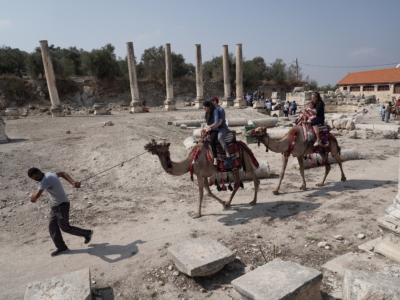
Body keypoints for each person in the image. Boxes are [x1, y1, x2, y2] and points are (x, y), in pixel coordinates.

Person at [28, 168, 93, 257]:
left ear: (39, 172)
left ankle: (87, 233)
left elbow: (36, 196)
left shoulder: (45, 180)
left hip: (62, 205)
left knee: (65, 227)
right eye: (34, 179)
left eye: (36, 178)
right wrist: (72, 182)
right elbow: (62, 173)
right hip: (55, 206)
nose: (36, 180)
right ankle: (62, 248)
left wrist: (32, 198)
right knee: (52, 227)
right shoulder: (50, 174)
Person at [204, 97, 233, 167]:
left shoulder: (221, 110)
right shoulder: (212, 110)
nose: (211, 103)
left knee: (220, 138)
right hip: (215, 128)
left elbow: (219, 123)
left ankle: (228, 156)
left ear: (215, 101)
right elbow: (209, 121)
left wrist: (210, 128)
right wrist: (206, 127)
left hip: (222, 127)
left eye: (212, 101)